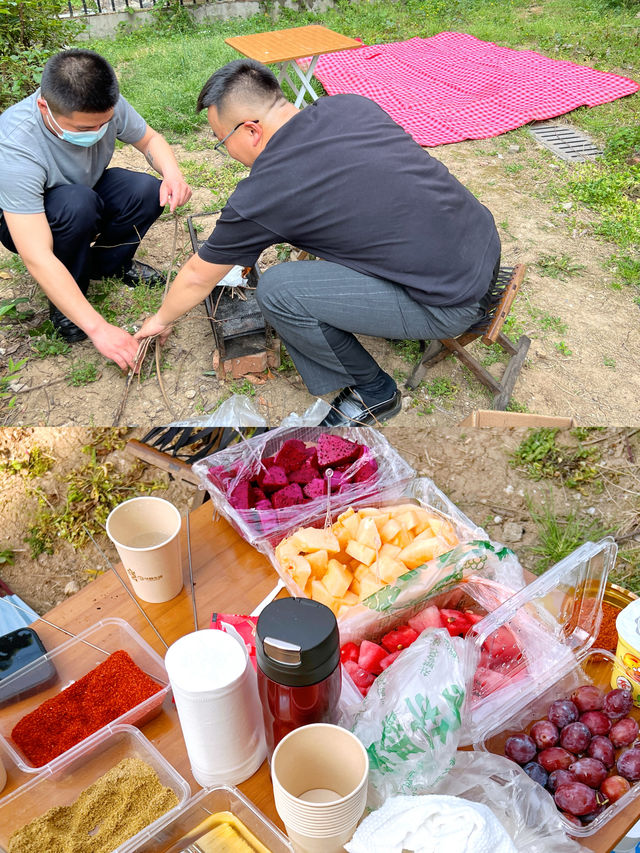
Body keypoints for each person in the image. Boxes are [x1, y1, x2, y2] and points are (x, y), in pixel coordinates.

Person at [136, 59, 500, 425]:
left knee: (279, 290)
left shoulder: (266, 192)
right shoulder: (348, 105)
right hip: (483, 246)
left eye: (222, 142)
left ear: (250, 131)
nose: (226, 152)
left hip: (452, 304)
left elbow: (200, 275)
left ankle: (374, 392)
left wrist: (160, 319)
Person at [0, 49, 192, 371]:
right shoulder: (15, 145)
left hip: (85, 189)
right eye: (83, 128)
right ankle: (69, 296)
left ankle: (109, 264)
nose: (97, 132)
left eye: (103, 124)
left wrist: (172, 173)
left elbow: (150, 140)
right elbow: (36, 254)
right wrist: (98, 328)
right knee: (76, 205)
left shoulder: (105, 105)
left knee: (144, 191)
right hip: (28, 217)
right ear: (44, 106)